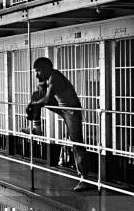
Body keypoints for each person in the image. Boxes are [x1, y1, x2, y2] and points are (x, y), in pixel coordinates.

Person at [21, 57, 88, 192]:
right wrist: (38, 90)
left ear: (46, 69)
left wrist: (33, 105)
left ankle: (84, 178)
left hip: (71, 110)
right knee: (35, 95)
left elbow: (47, 99)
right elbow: (40, 94)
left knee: (77, 142)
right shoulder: (47, 78)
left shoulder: (55, 77)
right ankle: (37, 128)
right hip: (61, 106)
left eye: (38, 71)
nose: (36, 75)